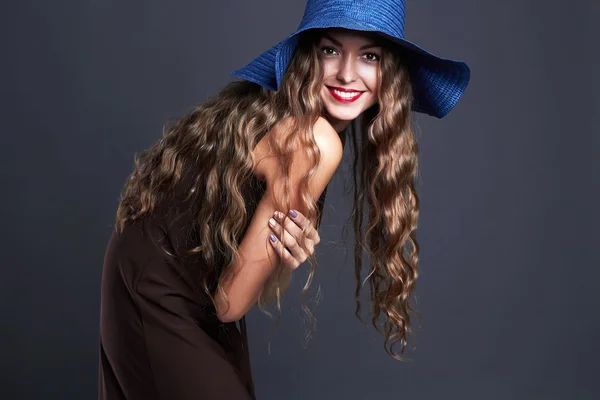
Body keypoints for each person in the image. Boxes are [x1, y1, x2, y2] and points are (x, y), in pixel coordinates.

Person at [98, 0, 470, 399]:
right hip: (163, 290)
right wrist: (279, 253)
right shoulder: (316, 141)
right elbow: (230, 303)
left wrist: (282, 253)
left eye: (369, 56)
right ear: (308, 55)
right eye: (330, 50)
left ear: (390, 73)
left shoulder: (276, 114)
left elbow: (239, 268)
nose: (347, 73)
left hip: (158, 274)